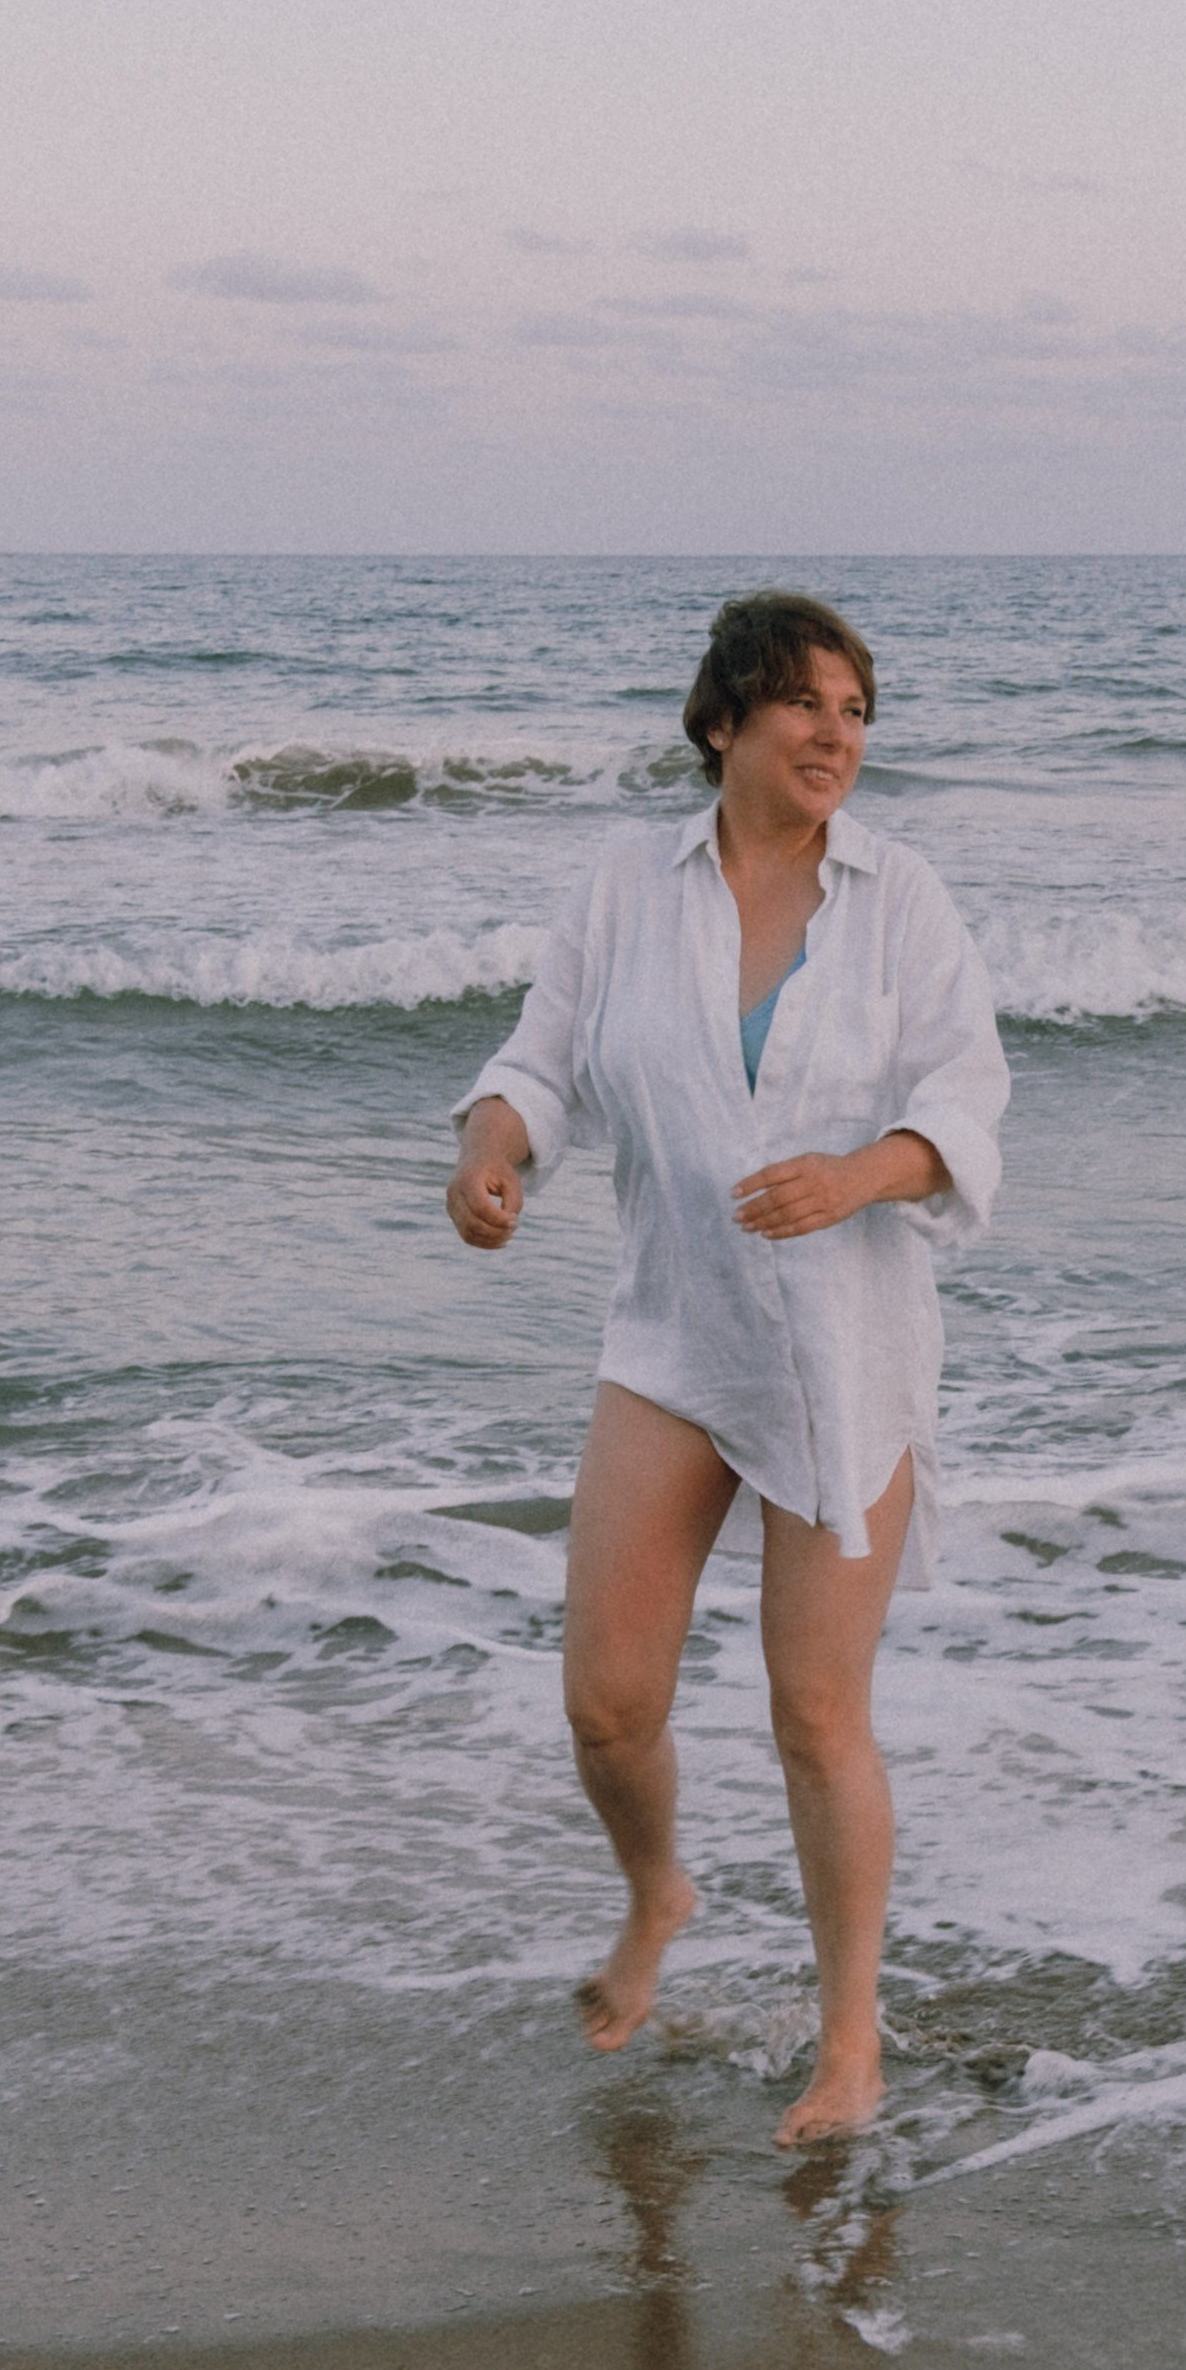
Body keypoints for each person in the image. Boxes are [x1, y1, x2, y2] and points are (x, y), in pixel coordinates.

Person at [446, 590, 1007, 2145]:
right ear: (722, 724)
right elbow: (538, 1062)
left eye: (855, 711)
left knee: (816, 1713)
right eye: (805, 707)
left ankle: (849, 2041)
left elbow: (968, 1094)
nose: (836, 736)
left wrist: (863, 1172)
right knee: (606, 1703)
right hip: (674, 1333)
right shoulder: (626, 884)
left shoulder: (901, 899)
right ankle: (658, 1892)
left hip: (849, 1353)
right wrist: (492, 1158)